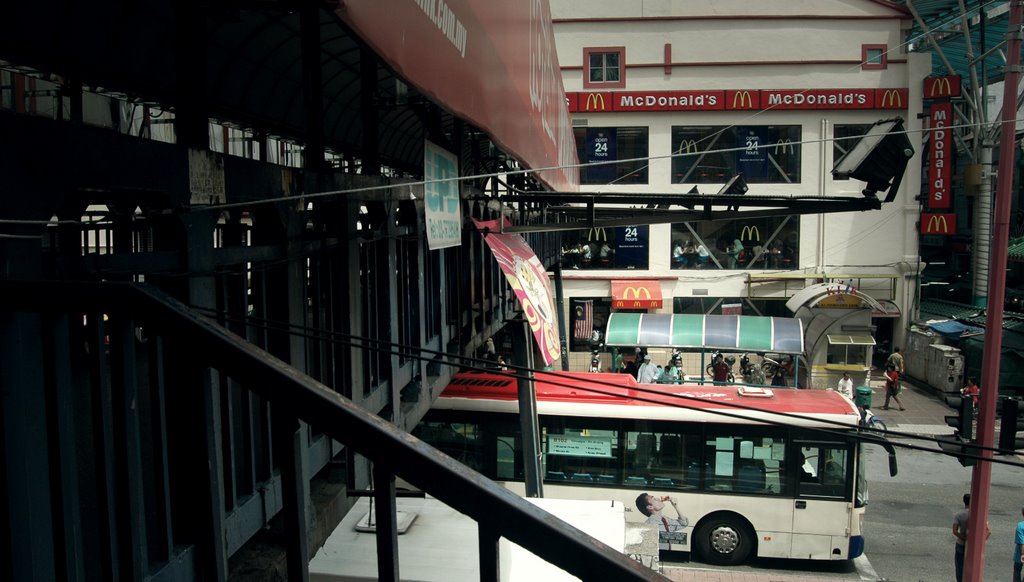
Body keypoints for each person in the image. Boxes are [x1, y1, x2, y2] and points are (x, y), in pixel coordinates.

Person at [953, 493, 991, 582]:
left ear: (964, 501)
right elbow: (989, 531)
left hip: (961, 544)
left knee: (959, 567)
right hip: (974, 546)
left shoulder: (959, 515)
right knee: (973, 565)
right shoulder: (978, 514)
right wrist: (980, 542)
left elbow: (954, 531)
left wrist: (963, 538)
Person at [1014, 506, 1024, 582]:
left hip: (1020, 553)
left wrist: (1022, 554)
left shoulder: (1020, 526)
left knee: (1017, 570)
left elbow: (1021, 542)